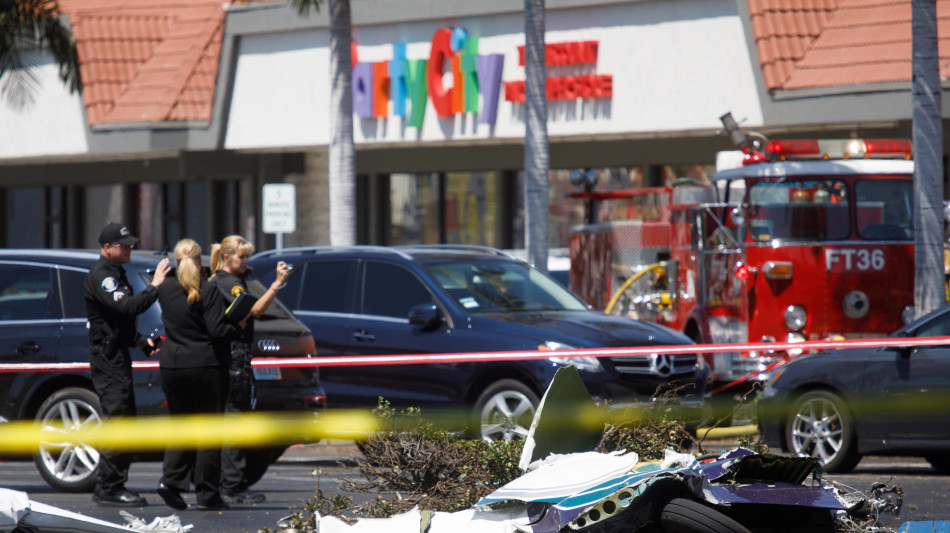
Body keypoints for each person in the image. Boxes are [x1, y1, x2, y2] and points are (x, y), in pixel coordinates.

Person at [84, 222, 171, 506]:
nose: (129, 248)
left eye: (130, 244)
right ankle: (110, 488)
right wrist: (156, 285)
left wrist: (140, 341)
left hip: (117, 354)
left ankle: (110, 484)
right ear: (107, 248)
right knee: (118, 420)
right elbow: (125, 307)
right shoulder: (102, 276)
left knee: (126, 419)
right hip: (107, 358)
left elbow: (120, 321)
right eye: (124, 245)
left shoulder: (116, 272)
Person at [155, 239, 238, 511]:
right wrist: (238, 325)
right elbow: (217, 331)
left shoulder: (165, 289)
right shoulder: (209, 289)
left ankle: (171, 482)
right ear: (200, 261)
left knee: (180, 427)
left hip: (172, 365)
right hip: (206, 366)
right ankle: (207, 493)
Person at [208, 235, 291, 504]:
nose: (245, 261)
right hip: (234, 359)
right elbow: (254, 309)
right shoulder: (227, 283)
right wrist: (276, 285)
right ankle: (232, 485)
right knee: (234, 422)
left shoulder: (231, 279)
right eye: (241, 257)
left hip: (236, 358)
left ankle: (229, 482)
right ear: (226, 257)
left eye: (246, 257)